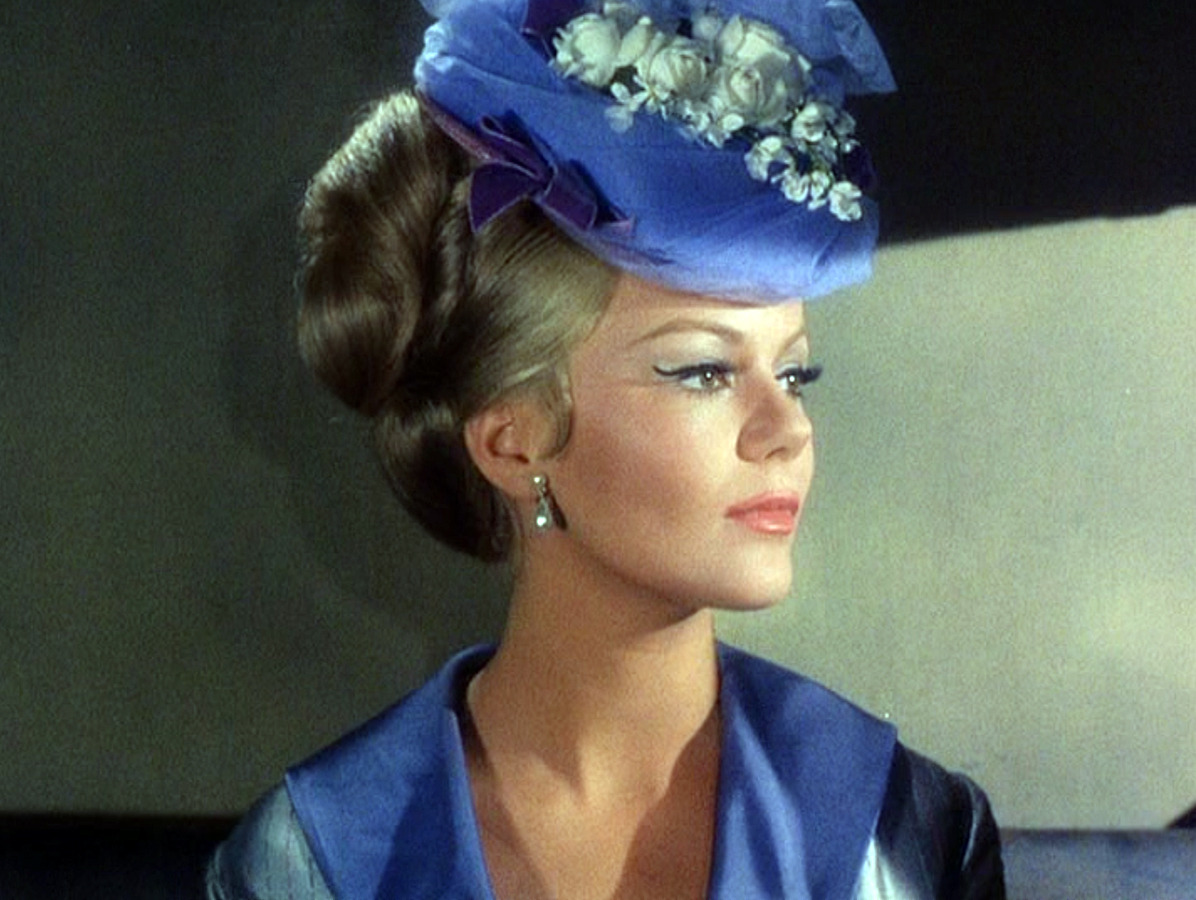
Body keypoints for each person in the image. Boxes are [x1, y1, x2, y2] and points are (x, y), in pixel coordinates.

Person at [207, 1, 1006, 897]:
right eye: (703, 372)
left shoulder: (905, 836)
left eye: (794, 374)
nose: (788, 429)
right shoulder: (314, 862)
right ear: (513, 442)